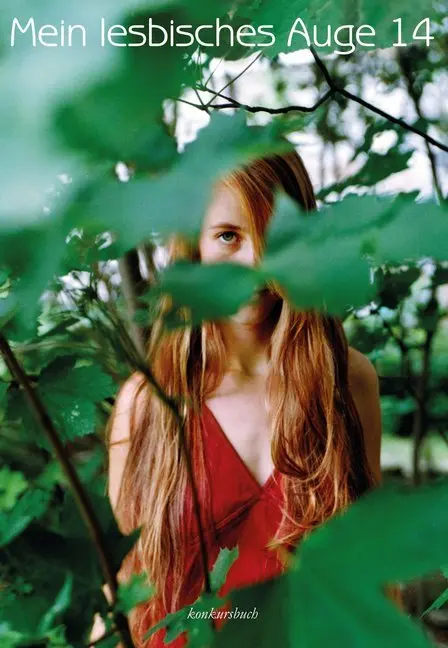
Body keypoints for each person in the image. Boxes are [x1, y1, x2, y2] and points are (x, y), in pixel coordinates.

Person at [105, 149, 403, 647]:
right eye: (229, 236)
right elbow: (126, 578)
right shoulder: (148, 401)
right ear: (193, 247)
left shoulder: (346, 382)